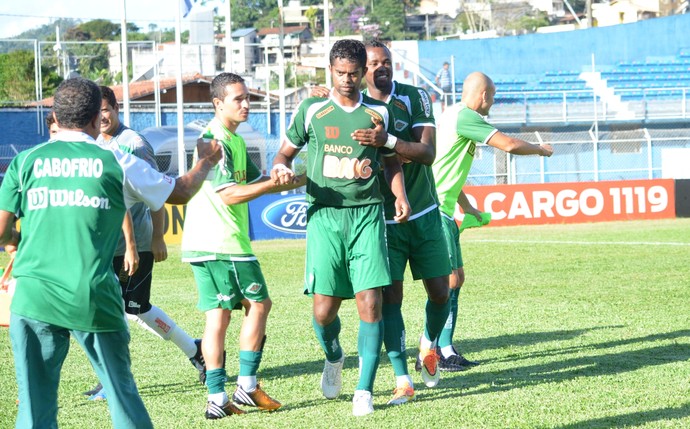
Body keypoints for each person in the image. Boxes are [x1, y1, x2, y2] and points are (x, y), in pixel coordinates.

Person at [0, 77, 222, 429]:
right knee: (121, 393)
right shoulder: (115, 158)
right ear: (94, 118)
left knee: (33, 403)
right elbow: (178, 192)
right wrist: (206, 161)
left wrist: (15, 238)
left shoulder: (25, 161)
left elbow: (2, 232)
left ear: (55, 115)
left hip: (32, 296)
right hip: (90, 293)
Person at [271, 39, 410, 416]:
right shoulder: (312, 110)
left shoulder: (378, 112)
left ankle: (363, 391)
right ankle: (334, 356)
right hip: (324, 217)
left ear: (364, 72)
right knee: (323, 311)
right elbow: (284, 153)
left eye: (354, 73)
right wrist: (281, 167)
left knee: (371, 302)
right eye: (340, 73)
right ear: (329, 71)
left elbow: (391, 160)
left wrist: (399, 194)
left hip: (367, 214)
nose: (347, 80)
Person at [181, 72, 303, 420]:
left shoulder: (233, 139)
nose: (247, 104)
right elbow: (231, 194)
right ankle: (245, 387)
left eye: (248, 97)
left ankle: (219, 398)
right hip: (223, 243)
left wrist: (299, 177)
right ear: (218, 104)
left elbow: (256, 182)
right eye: (238, 99)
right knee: (258, 305)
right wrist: (268, 187)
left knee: (218, 318)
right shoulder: (214, 140)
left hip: (207, 243)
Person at [81, 86, 207, 401]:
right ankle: (193, 350)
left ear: (116, 108)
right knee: (117, 310)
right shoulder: (92, 143)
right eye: (99, 111)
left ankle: (191, 351)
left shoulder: (134, 144)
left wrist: (157, 237)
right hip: (105, 247)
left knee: (132, 308)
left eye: (107, 108)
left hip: (135, 244)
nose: (103, 116)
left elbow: (156, 192)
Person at [428, 71, 554, 370]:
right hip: (434, 211)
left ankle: (444, 346)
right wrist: (539, 149)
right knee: (448, 281)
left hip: (445, 208)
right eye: (493, 96)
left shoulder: (454, 116)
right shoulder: (466, 117)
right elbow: (508, 144)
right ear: (483, 95)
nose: (493, 102)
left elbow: (447, 167)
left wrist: (467, 205)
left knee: (455, 279)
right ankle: (435, 350)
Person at [357, 40, 455, 404]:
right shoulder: (356, 106)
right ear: (362, 69)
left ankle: (428, 347)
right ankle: (402, 379)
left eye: (386, 61)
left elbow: (427, 152)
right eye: (373, 63)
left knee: (441, 292)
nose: (381, 68)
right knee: (390, 299)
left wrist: (388, 141)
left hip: (425, 212)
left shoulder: (415, 97)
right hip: (382, 219)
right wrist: (399, 148)